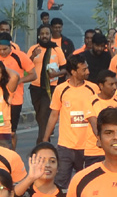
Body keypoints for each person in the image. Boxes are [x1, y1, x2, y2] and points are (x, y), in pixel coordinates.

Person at [41, 55, 98, 187]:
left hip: (88, 147)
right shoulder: (61, 90)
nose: (88, 72)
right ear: (73, 72)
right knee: (60, 183)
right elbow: (53, 115)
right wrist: (45, 138)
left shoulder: (94, 89)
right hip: (66, 147)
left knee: (88, 184)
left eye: (87, 68)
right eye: (84, 70)